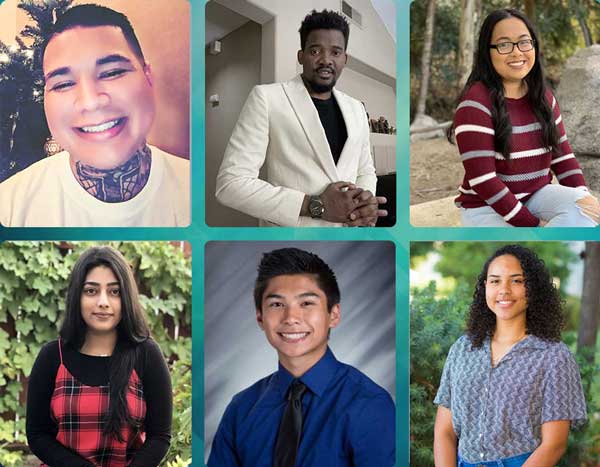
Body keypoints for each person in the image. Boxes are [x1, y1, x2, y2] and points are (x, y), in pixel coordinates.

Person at [0, 4, 189, 227]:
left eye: (112, 72)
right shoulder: (9, 207)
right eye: (63, 84)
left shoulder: (195, 190)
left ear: (148, 76)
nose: (90, 102)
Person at [208, 248, 395, 466]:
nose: (291, 318)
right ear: (260, 317)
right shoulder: (242, 408)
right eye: (277, 305)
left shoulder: (369, 405)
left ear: (333, 314)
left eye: (306, 303)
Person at [215, 9, 387, 227]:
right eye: (315, 51)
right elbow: (230, 184)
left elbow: (365, 171)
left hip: (348, 235)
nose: (326, 60)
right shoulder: (268, 98)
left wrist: (363, 205)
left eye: (335, 52)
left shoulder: (356, 109)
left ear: (345, 58)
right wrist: (316, 206)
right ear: (301, 55)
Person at [434, 245, 587, 467]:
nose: (504, 290)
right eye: (495, 281)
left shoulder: (554, 356)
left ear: (532, 288)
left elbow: (554, 444)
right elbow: (444, 432)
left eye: (516, 281)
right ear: (485, 286)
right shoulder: (462, 349)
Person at [450, 8, 599, 227]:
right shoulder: (475, 104)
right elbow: (484, 180)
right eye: (503, 45)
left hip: (537, 194)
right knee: (525, 240)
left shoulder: (543, 97)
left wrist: (582, 199)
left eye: (524, 42)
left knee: (589, 212)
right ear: (487, 51)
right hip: (486, 207)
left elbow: (563, 157)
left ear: (534, 46)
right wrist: (532, 224)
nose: (517, 52)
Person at [26, 246, 173, 467]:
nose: (103, 302)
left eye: (114, 292)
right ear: (77, 296)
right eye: (91, 291)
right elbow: (37, 435)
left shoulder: (146, 354)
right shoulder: (52, 357)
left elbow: (160, 437)